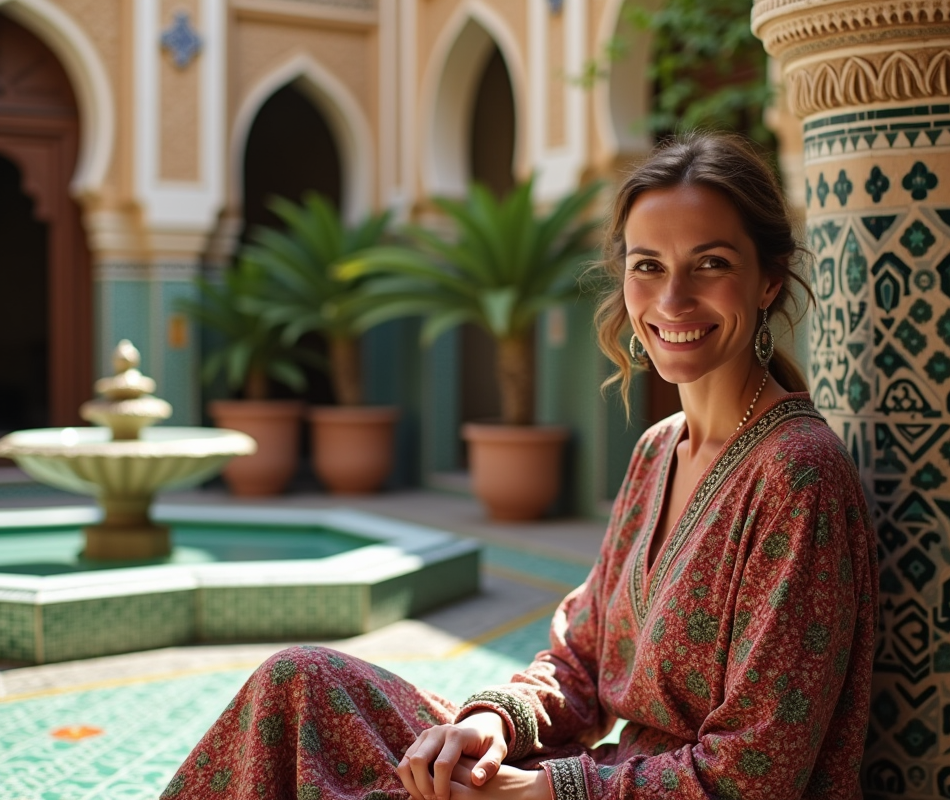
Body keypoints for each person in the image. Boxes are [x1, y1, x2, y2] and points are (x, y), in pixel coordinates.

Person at [159, 132, 877, 800]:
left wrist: (545, 791)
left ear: (769, 281)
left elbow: (760, 770)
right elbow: (583, 664)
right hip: (582, 781)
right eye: (647, 267)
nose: (671, 299)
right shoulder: (660, 450)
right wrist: (491, 725)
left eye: (710, 264)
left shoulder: (796, 477)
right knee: (301, 681)